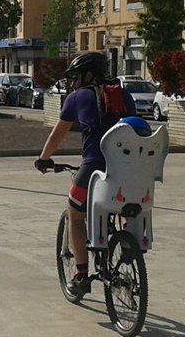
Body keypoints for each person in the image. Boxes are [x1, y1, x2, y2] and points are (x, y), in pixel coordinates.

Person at [34, 52, 139, 296]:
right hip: (127, 170)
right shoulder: (123, 95)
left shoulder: (76, 98)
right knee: (124, 204)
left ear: (88, 74)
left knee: (75, 214)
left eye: (76, 77)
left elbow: (56, 136)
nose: (73, 83)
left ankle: (81, 274)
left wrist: (44, 158)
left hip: (93, 169)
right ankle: (127, 241)